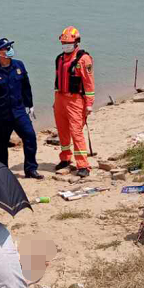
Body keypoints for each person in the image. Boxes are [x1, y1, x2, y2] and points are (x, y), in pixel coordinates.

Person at [0, 38, 41, 179]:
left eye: (10, 47)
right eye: (6, 48)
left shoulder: (19, 66)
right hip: (0, 115)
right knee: (0, 145)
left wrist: (30, 105)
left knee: (30, 137)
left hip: (19, 112)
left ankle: (31, 169)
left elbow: (26, 86)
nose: (10, 50)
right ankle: (3, 173)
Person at [53, 27, 95, 178]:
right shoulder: (60, 58)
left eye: (68, 42)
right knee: (62, 130)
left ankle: (83, 165)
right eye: (63, 42)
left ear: (76, 42)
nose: (65, 45)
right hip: (60, 98)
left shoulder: (84, 59)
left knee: (76, 132)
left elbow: (89, 83)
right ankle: (65, 158)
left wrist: (89, 103)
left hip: (75, 99)